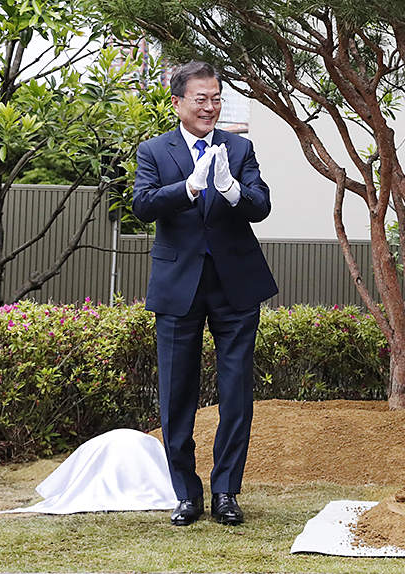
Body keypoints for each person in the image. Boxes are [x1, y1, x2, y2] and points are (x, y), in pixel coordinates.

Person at [133, 61, 278, 527]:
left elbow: (262, 207)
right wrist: (188, 187)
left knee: (236, 392)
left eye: (216, 98)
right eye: (201, 99)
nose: (211, 107)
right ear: (177, 103)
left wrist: (232, 190)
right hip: (179, 286)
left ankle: (226, 492)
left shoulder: (240, 148)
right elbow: (142, 205)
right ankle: (186, 494)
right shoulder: (155, 150)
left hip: (235, 284)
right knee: (177, 394)